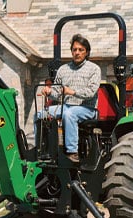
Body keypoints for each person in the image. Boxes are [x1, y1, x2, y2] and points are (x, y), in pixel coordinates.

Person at [39, 34, 101, 162]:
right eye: (74, 50)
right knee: (40, 114)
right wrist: (49, 92)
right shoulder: (63, 69)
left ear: (86, 52)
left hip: (87, 108)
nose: (77, 53)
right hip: (66, 106)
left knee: (69, 114)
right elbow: (57, 93)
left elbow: (90, 92)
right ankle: (42, 150)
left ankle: (72, 152)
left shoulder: (94, 69)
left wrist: (72, 92)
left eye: (81, 50)